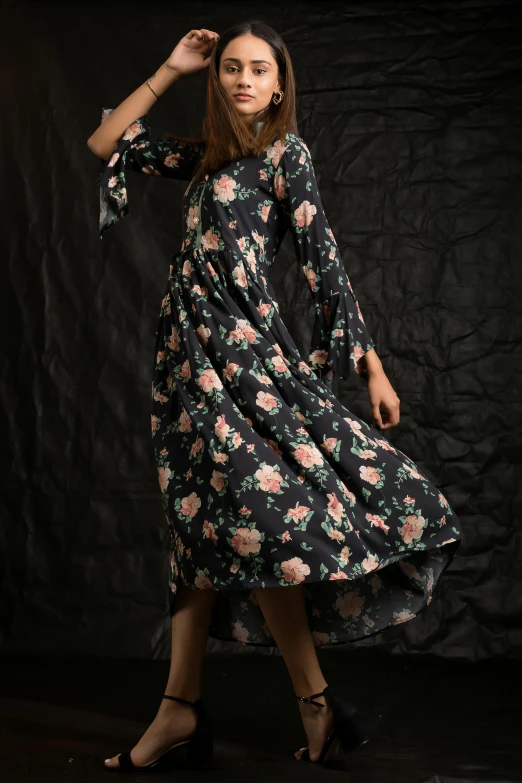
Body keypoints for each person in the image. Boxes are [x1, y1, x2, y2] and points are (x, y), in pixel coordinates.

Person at [87, 19, 463, 772]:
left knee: (256, 524)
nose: (244, 79)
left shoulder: (286, 156)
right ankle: (183, 708)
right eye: (231, 68)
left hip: (244, 356)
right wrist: (171, 66)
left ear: (280, 84)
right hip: (184, 360)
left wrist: (372, 367)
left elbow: (324, 261)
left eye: (259, 69)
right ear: (218, 79)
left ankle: (304, 703)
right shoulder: (206, 159)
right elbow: (107, 144)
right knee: (197, 523)